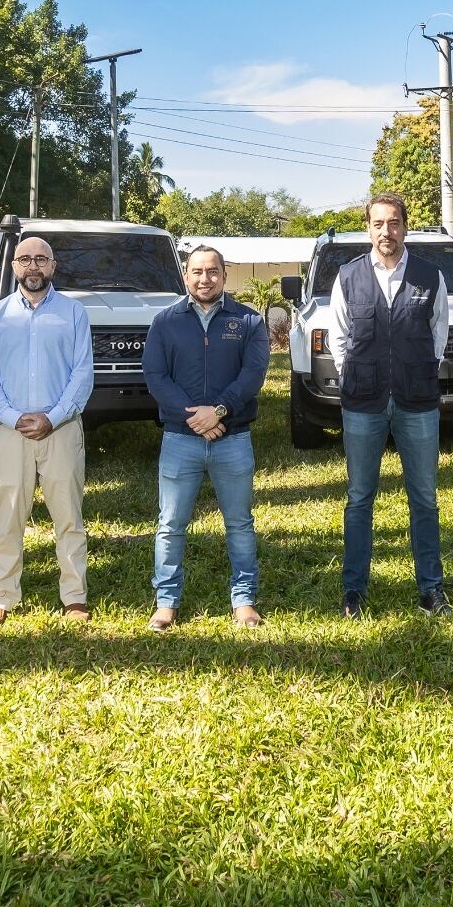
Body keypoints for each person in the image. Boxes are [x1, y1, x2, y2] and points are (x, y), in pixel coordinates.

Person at [326, 191, 453, 618]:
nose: (387, 231)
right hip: (363, 402)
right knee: (360, 496)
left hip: (417, 402)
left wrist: (415, 371)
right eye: (378, 224)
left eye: (394, 223)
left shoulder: (429, 276)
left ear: (405, 227)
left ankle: (430, 590)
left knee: (424, 498)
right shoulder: (347, 276)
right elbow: (337, 337)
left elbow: (438, 334)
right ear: (368, 228)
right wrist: (355, 375)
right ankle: (354, 591)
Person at [140, 244, 270, 630]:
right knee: (170, 524)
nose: (205, 278)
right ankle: (166, 602)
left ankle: (244, 601)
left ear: (224, 275)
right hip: (181, 439)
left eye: (212, 271)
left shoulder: (249, 321)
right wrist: (194, 417)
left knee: (240, 523)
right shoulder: (165, 322)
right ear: (186, 275)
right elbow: (155, 376)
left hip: (233, 438)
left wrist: (220, 411)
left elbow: (253, 374)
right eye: (197, 271)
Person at [0, 234, 95, 628]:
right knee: (8, 516)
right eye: (25, 259)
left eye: (41, 259)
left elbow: (82, 373)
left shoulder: (74, 314)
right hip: (10, 433)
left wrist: (53, 416)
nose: (33, 266)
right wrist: (11, 417)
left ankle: (74, 596)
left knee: (68, 516)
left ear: (53, 266)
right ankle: (2, 597)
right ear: (13, 267)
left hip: (61, 430)